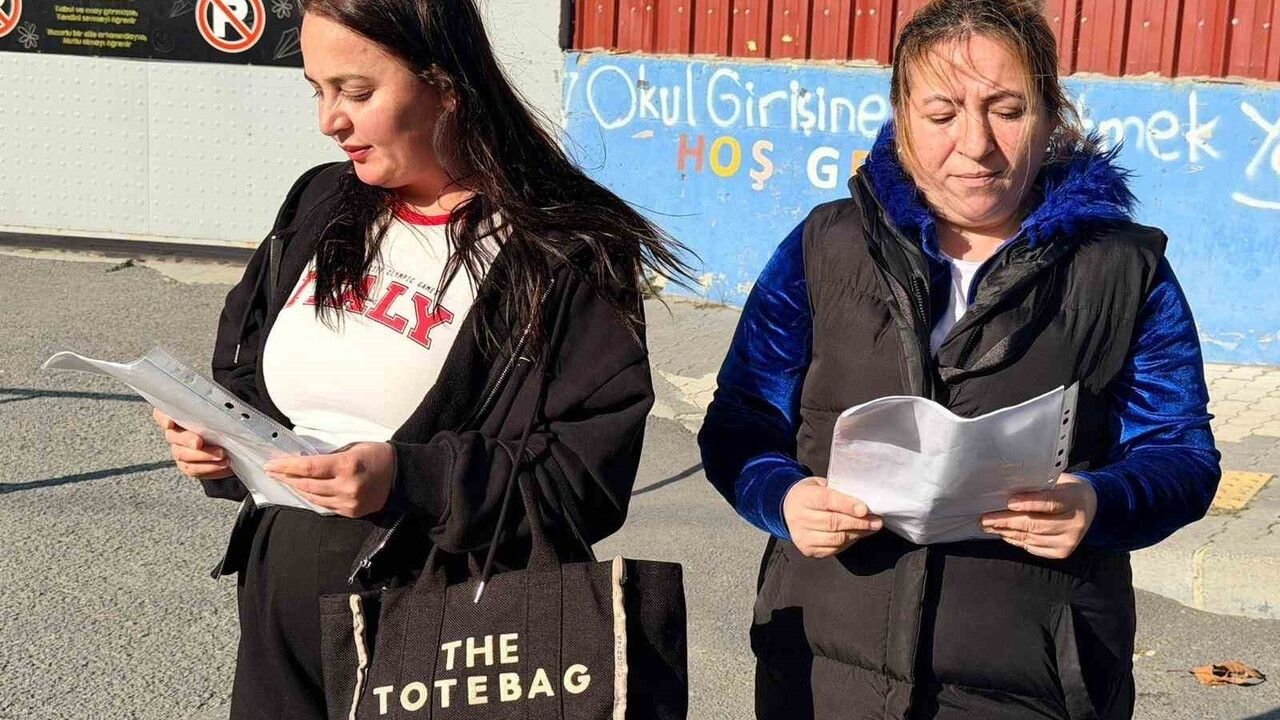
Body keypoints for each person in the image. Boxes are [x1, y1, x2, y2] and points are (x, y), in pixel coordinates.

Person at [151, 1, 689, 716]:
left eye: (357, 91)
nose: (329, 121)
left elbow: (585, 478)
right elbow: (244, 372)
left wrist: (408, 478)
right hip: (284, 620)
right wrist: (215, 439)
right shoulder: (317, 202)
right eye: (317, 89)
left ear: (446, 85)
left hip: (443, 632)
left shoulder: (565, 250)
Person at [698, 0, 1221, 717]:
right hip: (823, 670)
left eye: (1006, 109)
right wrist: (783, 497)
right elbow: (741, 419)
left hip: (1040, 678)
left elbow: (1181, 454)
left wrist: (1098, 502)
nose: (975, 145)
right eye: (942, 114)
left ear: (1049, 113)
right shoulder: (825, 246)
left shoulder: (1123, 271)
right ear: (902, 119)